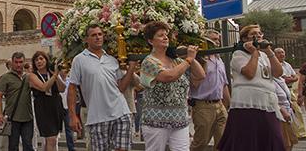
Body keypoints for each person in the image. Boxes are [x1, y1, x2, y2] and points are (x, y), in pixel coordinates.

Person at [67, 24, 139, 151]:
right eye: (93, 35)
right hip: (97, 116)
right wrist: (73, 116)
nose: (97, 37)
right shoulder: (79, 60)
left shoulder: (112, 59)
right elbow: (72, 88)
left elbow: (121, 87)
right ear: (86, 39)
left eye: (100, 34)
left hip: (121, 112)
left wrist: (132, 68)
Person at [138, 21, 205, 151]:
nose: (165, 37)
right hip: (155, 121)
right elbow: (168, 76)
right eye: (160, 35)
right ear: (151, 41)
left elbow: (201, 75)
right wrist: (189, 60)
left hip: (180, 119)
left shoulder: (177, 61)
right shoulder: (149, 61)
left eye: (166, 35)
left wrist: (190, 55)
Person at [218, 24, 285, 151]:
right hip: (247, 104)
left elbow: (278, 73)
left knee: (273, 137)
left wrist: (269, 52)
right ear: (244, 39)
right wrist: (254, 52)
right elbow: (249, 73)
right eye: (253, 34)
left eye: (260, 33)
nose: (258, 36)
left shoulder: (265, 56)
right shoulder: (239, 55)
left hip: (267, 103)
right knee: (247, 141)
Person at [189, 29, 230, 151]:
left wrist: (228, 104)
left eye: (218, 40)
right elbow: (195, 82)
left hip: (219, 105)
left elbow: (223, 84)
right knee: (201, 142)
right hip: (203, 105)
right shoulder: (200, 60)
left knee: (222, 142)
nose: (216, 42)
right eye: (213, 39)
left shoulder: (219, 60)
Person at [28, 51, 66, 151]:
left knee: (52, 139)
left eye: (41, 59)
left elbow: (62, 89)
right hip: (43, 107)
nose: (39, 61)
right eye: (36, 60)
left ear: (46, 60)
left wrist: (56, 75)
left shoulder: (52, 73)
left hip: (55, 105)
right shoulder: (32, 75)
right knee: (51, 138)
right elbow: (44, 87)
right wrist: (55, 75)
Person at [0, 52, 34, 151]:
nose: (18, 65)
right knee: (13, 146)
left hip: (28, 118)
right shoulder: (6, 77)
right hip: (12, 118)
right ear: (12, 62)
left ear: (24, 62)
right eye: (16, 62)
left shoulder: (28, 77)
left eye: (20, 62)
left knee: (28, 145)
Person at [275, 47, 306, 140]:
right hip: (280, 91)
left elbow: (295, 77)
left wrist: (289, 79)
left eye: (283, 52)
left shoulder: (287, 65)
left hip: (290, 91)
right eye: (279, 53)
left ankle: (301, 133)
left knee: (297, 110)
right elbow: (280, 79)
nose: (282, 54)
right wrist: (287, 79)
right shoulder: (273, 65)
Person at [274, 73, 298, 151]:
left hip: (288, 111)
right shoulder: (270, 80)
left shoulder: (280, 79)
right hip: (279, 114)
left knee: (290, 141)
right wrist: (281, 109)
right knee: (285, 142)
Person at [58, 69, 76, 151]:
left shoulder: (70, 80)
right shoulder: (56, 79)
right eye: (63, 68)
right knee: (55, 130)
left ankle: (71, 148)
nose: (65, 70)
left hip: (67, 107)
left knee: (69, 129)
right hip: (58, 107)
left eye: (66, 68)